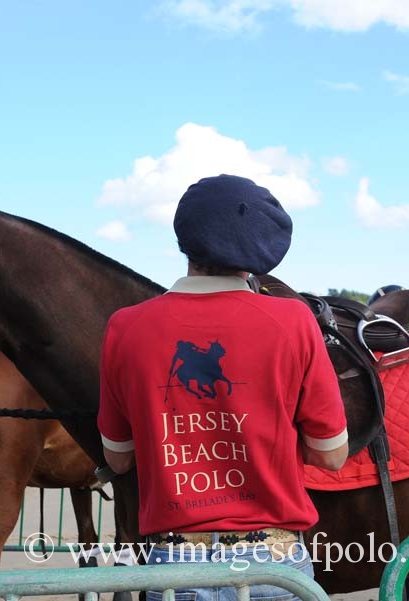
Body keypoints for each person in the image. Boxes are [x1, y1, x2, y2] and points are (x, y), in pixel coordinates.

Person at [98, 174, 349, 601]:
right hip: (273, 564)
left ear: (185, 241)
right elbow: (331, 455)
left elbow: (117, 459)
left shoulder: (125, 327)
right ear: (258, 252)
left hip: (173, 564)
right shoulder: (293, 322)